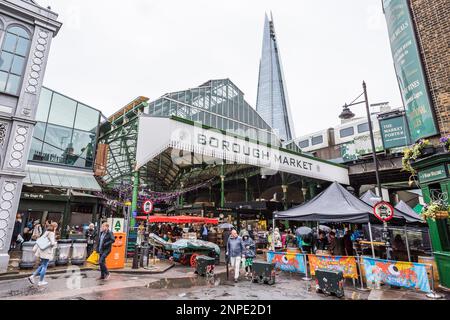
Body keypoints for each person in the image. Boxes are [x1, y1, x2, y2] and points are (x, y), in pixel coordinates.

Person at [28, 222, 58, 286]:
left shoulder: (47, 231)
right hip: (47, 252)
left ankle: (32, 276)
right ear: (55, 227)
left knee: (42, 265)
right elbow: (52, 243)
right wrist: (55, 243)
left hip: (42, 251)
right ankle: (40, 281)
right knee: (44, 266)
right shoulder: (52, 233)